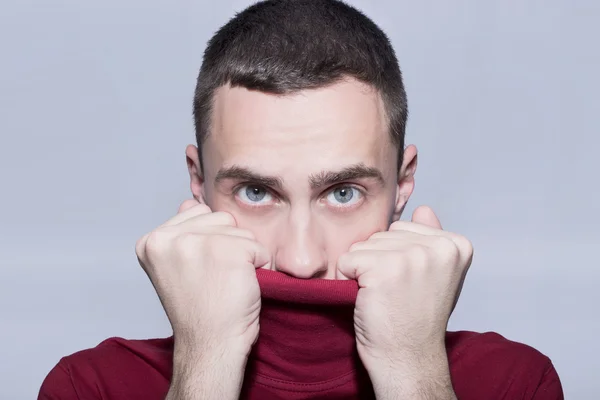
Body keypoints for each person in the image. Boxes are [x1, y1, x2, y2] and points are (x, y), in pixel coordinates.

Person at [38, 0, 564, 399]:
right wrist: (205, 363)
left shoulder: (512, 382)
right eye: (256, 192)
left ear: (403, 184)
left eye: (342, 192)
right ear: (198, 183)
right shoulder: (92, 386)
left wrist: (413, 370)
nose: (301, 259)